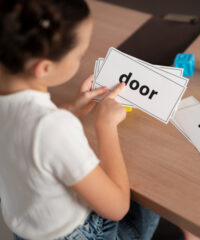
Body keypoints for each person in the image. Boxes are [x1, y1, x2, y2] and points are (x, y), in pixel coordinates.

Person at [0, 0, 160, 239]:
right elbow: (117, 208)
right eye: (79, 55)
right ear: (44, 68)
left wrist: (69, 109)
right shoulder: (53, 128)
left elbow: (25, 132)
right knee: (154, 190)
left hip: (28, 230)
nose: (80, 59)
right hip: (83, 233)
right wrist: (105, 125)